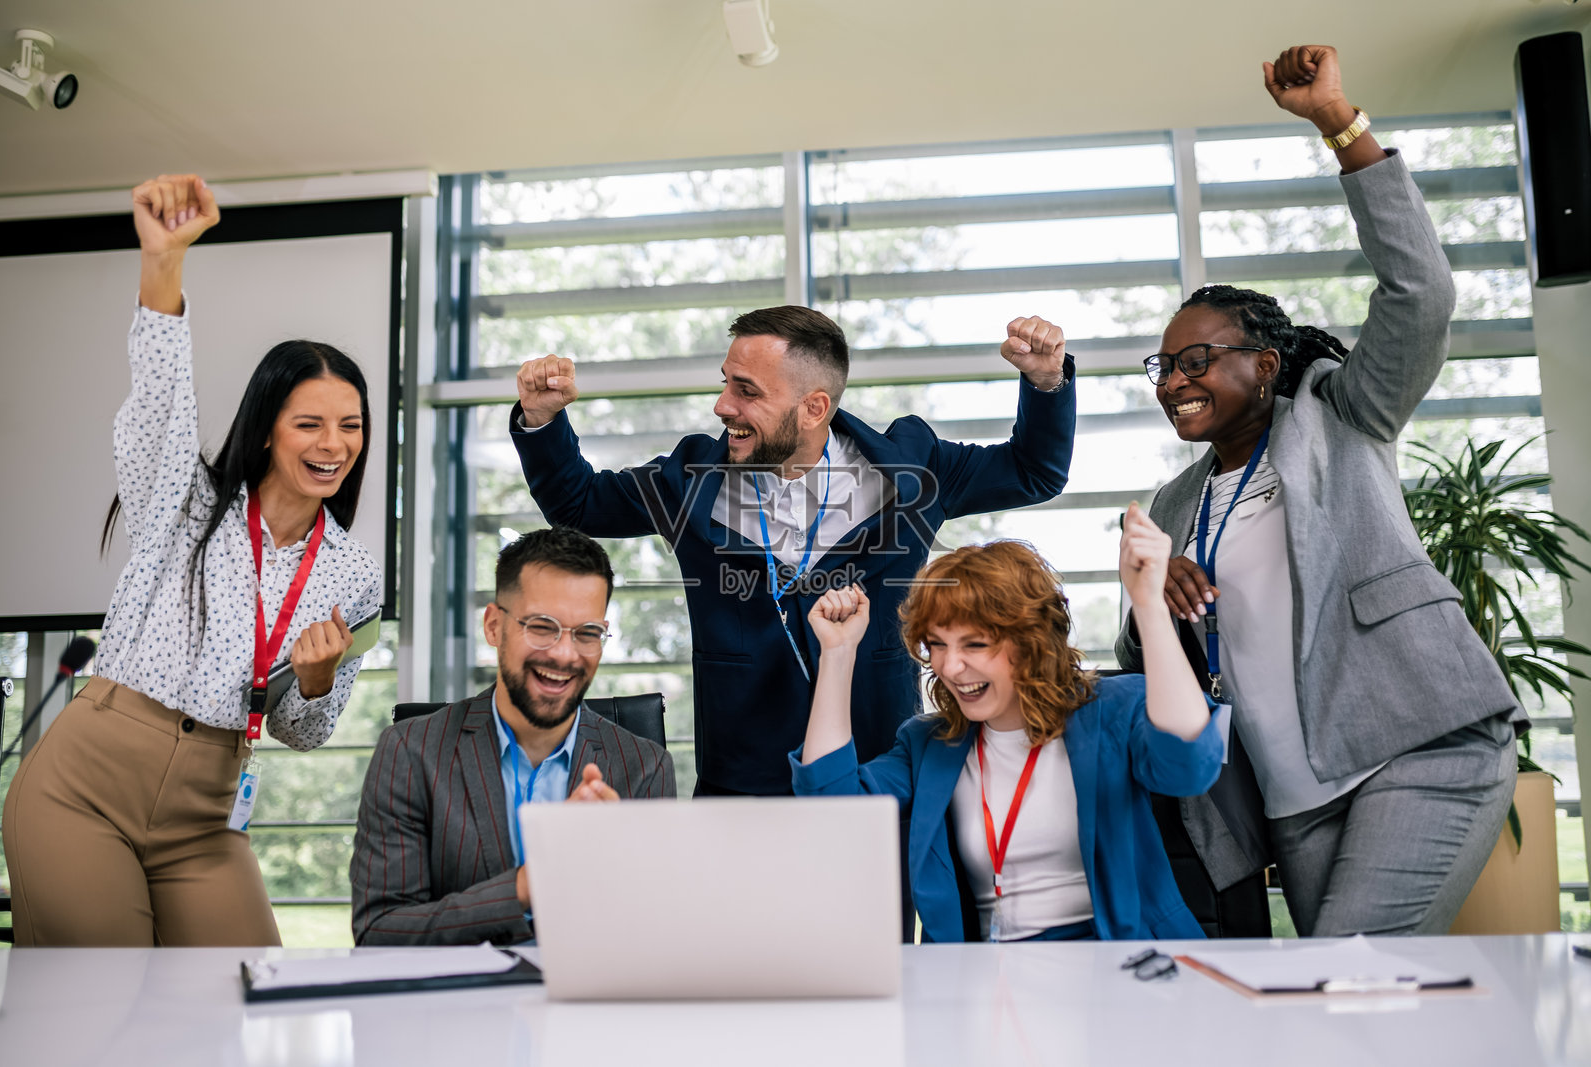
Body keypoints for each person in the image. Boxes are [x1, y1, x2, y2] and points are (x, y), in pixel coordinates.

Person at [1115, 45, 1520, 937]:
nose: (1173, 380)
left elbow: (1422, 295)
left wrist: (1343, 127)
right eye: (1164, 366)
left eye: (1197, 361)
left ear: (1264, 365)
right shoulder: (1178, 502)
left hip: (1415, 752)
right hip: (1292, 802)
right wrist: (1154, 593)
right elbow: (1148, 661)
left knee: (1342, 988)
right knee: (1367, 1013)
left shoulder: (1342, 417)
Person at [3, 174, 382, 947]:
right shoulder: (188, 500)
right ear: (267, 429)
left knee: (239, 1003)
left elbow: (305, 731)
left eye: (350, 425)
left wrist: (313, 684)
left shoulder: (352, 573)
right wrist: (163, 267)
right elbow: (159, 406)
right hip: (88, 785)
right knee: (101, 1010)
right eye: (309, 422)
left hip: (207, 812)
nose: (333, 444)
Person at [511, 307, 1075, 796]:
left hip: (875, 772)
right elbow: (579, 502)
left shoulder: (912, 465)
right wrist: (542, 418)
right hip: (739, 783)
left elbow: (1033, 472)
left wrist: (1046, 381)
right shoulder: (690, 479)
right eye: (727, 383)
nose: (722, 406)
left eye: (747, 391)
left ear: (813, 407)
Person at [790, 508, 1222, 942]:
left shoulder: (1113, 708)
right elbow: (832, 809)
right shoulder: (929, 745)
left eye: (975, 645)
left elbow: (1189, 765)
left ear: (1032, 642)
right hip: (985, 979)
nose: (951, 666)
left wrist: (1147, 604)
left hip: (1119, 967)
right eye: (937, 645)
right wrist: (838, 655)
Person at [350, 526, 675, 946]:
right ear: (493, 627)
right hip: (459, 1006)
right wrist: (530, 882)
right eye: (542, 626)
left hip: (586, 1006)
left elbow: (655, 938)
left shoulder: (643, 767)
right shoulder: (411, 752)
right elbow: (381, 932)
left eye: (587, 633)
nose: (563, 653)